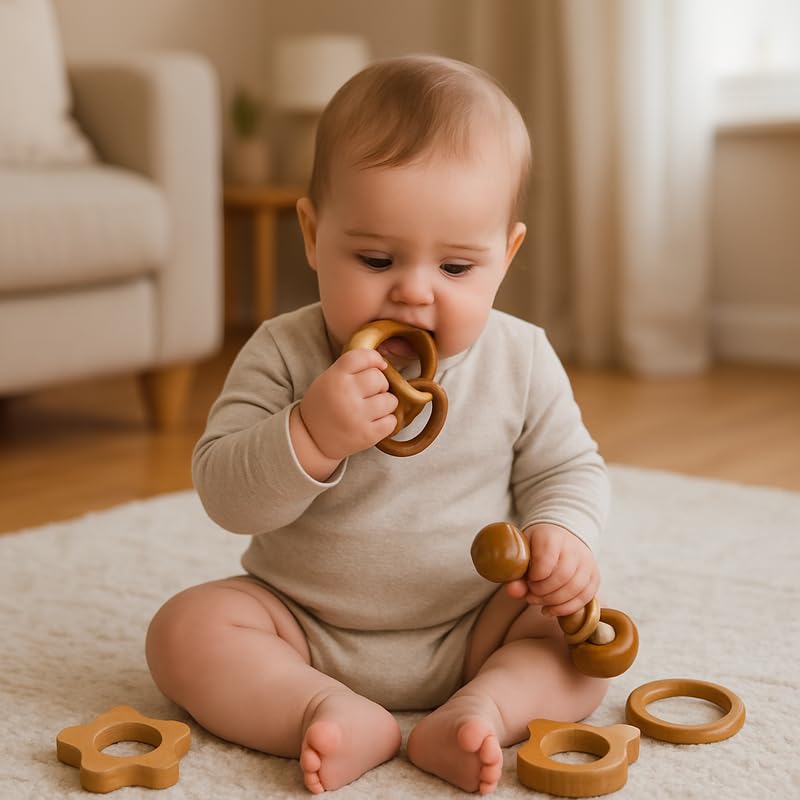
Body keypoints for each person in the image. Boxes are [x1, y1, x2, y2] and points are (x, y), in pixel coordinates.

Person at [146, 54, 611, 796]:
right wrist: (310, 435)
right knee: (184, 631)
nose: (414, 292)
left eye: (457, 268)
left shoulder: (520, 357)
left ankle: (481, 710)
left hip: (475, 625)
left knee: (582, 641)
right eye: (374, 257)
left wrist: (564, 538)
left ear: (506, 255)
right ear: (312, 233)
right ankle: (321, 707)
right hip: (299, 625)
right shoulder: (282, 351)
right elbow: (223, 495)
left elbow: (569, 469)